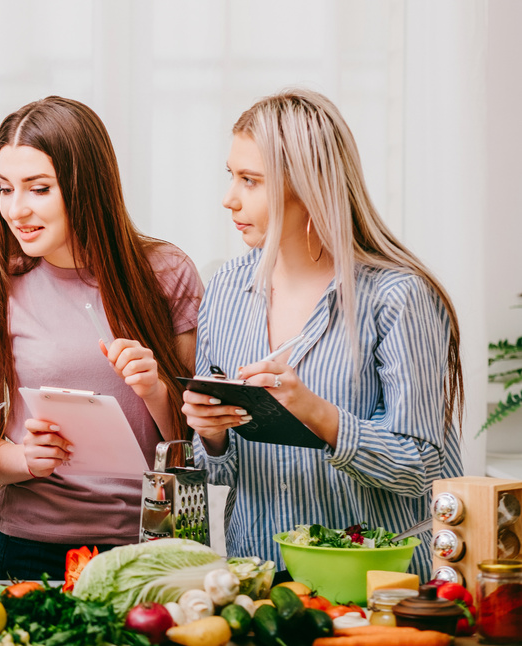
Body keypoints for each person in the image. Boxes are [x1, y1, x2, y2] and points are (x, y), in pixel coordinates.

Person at [182, 88, 464, 579]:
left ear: (308, 187)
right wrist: (210, 437)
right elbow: (219, 476)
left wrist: (317, 414)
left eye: (250, 181)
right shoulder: (226, 288)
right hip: (263, 580)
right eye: (232, 176)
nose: (229, 199)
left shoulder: (396, 296)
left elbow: (422, 465)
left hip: (376, 585)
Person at [0, 96, 204, 580]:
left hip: (151, 544)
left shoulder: (166, 273)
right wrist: (25, 460)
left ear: (84, 185)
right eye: (5, 189)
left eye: (39, 189)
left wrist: (154, 389)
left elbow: (195, 442)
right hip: (33, 550)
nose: (16, 209)